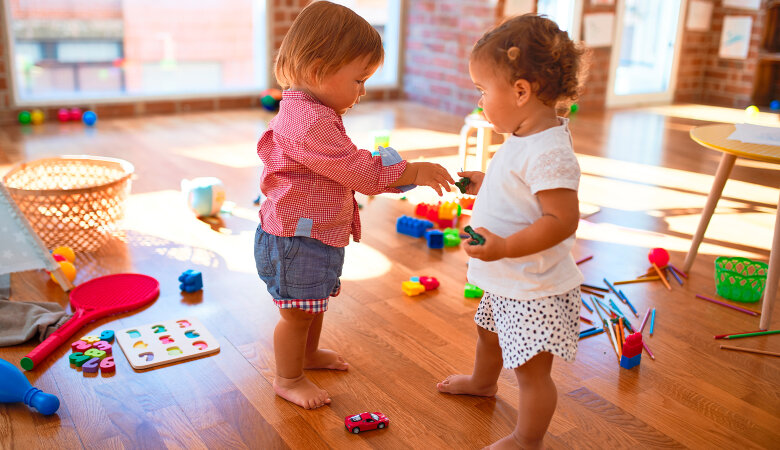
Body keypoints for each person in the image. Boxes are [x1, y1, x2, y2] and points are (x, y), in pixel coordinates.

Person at [255, 1, 454, 410]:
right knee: (297, 313)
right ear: (316, 70)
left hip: (311, 233)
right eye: (358, 79)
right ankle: (289, 377)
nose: (362, 92)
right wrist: (411, 171)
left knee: (312, 303)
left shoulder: (309, 110)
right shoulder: (310, 122)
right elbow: (357, 172)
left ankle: (308, 356)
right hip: (296, 240)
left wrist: (394, 171)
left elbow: (345, 166)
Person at [436, 15, 587, 449]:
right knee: (488, 334)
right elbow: (522, 188)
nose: (481, 102)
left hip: (535, 288)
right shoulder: (524, 136)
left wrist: (503, 246)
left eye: (483, 91)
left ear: (521, 91)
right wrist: (486, 182)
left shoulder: (550, 151)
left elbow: (561, 220)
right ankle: (484, 383)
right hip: (508, 282)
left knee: (532, 373)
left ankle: (528, 438)